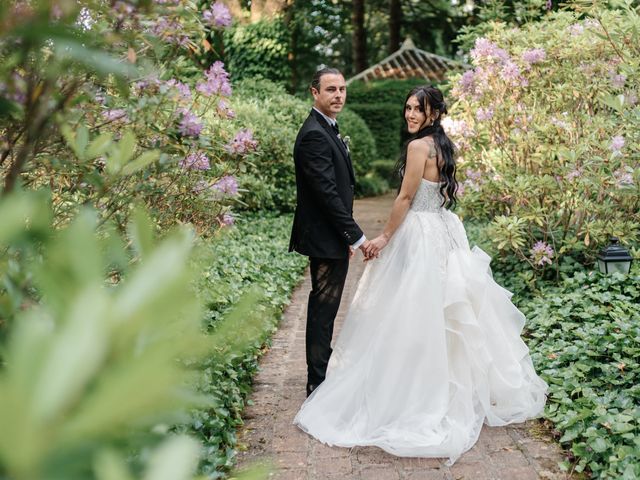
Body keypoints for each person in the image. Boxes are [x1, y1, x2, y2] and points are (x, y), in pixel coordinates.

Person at [293, 85, 548, 465]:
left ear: (433, 113)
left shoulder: (417, 148)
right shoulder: (443, 145)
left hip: (420, 233)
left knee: (411, 308)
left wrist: (383, 236)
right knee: (441, 310)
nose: (410, 114)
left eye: (418, 109)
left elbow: (405, 199)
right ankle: (444, 381)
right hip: (444, 229)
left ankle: (412, 388)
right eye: (408, 108)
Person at [289, 67, 371, 398]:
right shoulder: (313, 134)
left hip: (330, 234)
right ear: (314, 93)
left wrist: (344, 234)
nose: (338, 95)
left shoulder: (328, 129)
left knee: (327, 308)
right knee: (324, 308)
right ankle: (317, 381)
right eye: (331, 90)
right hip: (323, 236)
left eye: (342, 89)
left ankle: (320, 374)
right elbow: (326, 192)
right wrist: (356, 236)